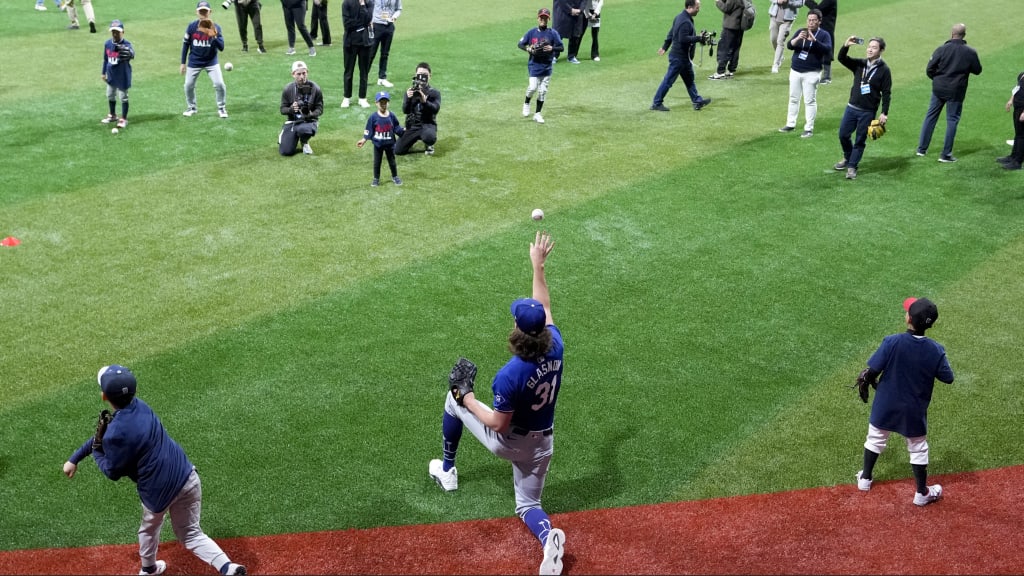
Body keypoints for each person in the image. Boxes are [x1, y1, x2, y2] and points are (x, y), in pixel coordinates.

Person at [428, 231, 566, 576]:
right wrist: (539, 267)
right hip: (543, 444)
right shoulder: (557, 347)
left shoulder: (510, 374)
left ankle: (447, 471)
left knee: (453, 399)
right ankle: (548, 538)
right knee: (529, 505)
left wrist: (469, 398)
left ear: (516, 328)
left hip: (511, 442)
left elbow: (498, 425)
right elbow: (545, 307)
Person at [62, 365, 247, 576]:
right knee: (191, 533)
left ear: (104, 396)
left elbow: (111, 471)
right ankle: (228, 567)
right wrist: (76, 457)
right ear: (134, 392)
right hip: (186, 476)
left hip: (157, 493)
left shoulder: (115, 435)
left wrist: (96, 451)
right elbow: (108, 435)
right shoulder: (141, 406)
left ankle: (149, 568)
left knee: (149, 529)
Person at [854, 298, 954, 507]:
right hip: (913, 410)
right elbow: (948, 377)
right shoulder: (936, 350)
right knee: (917, 447)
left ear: (908, 318)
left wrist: (867, 377)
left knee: (875, 438)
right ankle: (921, 493)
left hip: (885, 404)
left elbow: (873, 370)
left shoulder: (892, 341)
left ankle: (865, 479)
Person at [915, 24, 982, 163]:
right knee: (952, 120)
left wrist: (938, 80)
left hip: (938, 89)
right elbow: (977, 70)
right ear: (964, 35)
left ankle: (921, 149)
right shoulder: (970, 52)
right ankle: (945, 155)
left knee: (931, 117)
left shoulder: (941, 49)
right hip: (956, 91)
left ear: (952, 34)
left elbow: (929, 69)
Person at [834, 36, 891, 180]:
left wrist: (884, 112)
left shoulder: (884, 70)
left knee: (860, 140)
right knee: (843, 134)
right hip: (851, 107)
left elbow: (886, 92)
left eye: (874, 47)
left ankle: (852, 166)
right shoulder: (860, 64)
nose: (870, 49)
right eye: (869, 46)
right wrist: (846, 45)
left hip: (867, 111)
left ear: (881, 50)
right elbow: (841, 58)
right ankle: (848, 157)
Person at [650, 0, 712, 112]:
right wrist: (699, 38)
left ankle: (697, 101)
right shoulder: (685, 21)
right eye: (697, 7)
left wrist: (665, 47)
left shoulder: (680, 17)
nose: (699, 9)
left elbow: (671, 33)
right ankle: (656, 103)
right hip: (679, 58)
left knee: (689, 80)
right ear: (689, 7)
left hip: (683, 58)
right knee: (668, 80)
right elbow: (683, 39)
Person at [778, 9, 830, 137]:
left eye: (813, 20)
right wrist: (797, 39)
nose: (811, 23)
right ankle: (790, 124)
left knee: (809, 100)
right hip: (795, 70)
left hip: (811, 73)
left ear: (819, 21)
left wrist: (814, 41)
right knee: (793, 98)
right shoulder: (801, 31)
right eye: (809, 20)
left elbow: (827, 49)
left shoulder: (824, 35)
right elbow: (790, 46)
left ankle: (809, 128)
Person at [180, 1, 228, 118]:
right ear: (197, 12)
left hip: (211, 62)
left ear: (209, 12)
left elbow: (221, 47)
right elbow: (186, 44)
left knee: (219, 84)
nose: (203, 13)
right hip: (194, 62)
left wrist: (214, 35)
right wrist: (183, 63)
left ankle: (221, 108)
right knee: (188, 86)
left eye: (205, 11)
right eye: (201, 11)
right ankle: (192, 107)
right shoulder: (191, 27)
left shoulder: (216, 27)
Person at [518, 8, 564, 125]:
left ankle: (537, 114)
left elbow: (561, 47)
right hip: (534, 65)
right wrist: (528, 48)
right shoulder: (531, 32)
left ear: (548, 19)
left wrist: (552, 48)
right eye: (541, 17)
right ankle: (526, 103)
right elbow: (520, 44)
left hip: (547, 67)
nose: (543, 20)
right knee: (532, 88)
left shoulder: (553, 33)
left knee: (542, 92)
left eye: (545, 18)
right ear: (538, 18)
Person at [357, 91, 404, 186]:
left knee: (392, 162)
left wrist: (403, 130)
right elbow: (369, 130)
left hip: (390, 144)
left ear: (388, 103)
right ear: (376, 103)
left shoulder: (391, 116)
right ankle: (376, 178)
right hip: (378, 145)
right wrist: (364, 140)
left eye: (385, 102)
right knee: (377, 163)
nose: (383, 105)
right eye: (381, 103)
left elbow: (396, 127)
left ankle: (395, 176)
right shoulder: (373, 117)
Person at [394, 62, 441, 155]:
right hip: (413, 125)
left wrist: (424, 101)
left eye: (425, 75)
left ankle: (429, 144)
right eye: (420, 75)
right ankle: (410, 141)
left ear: (430, 76)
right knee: (398, 150)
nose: (422, 78)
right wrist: (408, 99)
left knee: (429, 137)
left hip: (427, 124)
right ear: (416, 75)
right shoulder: (410, 91)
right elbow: (405, 110)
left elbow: (435, 109)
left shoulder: (434, 93)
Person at [279, 60, 324, 156]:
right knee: (286, 152)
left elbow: (320, 109)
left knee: (303, 130)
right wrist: (290, 109)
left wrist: (310, 114)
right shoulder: (288, 89)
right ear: (293, 74)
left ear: (307, 72)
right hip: (293, 122)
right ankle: (285, 135)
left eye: (304, 73)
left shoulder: (315, 88)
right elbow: (282, 109)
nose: (302, 77)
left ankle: (304, 142)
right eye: (298, 74)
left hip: (309, 121)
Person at [341, 0, 374, 108]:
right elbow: (347, 24)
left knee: (364, 72)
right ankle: (346, 97)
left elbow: (368, 19)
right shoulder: (346, 3)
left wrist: (363, 6)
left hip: (365, 43)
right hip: (350, 42)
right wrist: (362, 23)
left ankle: (362, 98)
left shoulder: (369, 2)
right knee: (348, 71)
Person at [101, 19, 133, 130]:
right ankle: (113, 115)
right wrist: (103, 72)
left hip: (123, 75)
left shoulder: (127, 44)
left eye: (117, 31)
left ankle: (123, 118)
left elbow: (132, 53)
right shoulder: (107, 44)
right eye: (113, 31)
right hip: (111, 75)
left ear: (122, 31)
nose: (115, 34)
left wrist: (130, 53)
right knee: (110, 95)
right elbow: (105, 59)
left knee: (123, 97)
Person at [709, 0, 745, 80]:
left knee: (724, 48)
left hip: (730, 26)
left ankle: (720, 72)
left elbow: (727, 8)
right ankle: (731, 70)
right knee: (735, 48)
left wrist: (718, 2)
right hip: (740, 25)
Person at [370, 0, 401, 87]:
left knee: (385, 54)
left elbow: (398, 9)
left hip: (389, 26)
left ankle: (382, 78)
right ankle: (364, 77)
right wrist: (371, 21)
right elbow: (369, 7)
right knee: (371, 53)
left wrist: (394, 17)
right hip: (377, 25)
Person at [997, 70, 1024, 171]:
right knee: (1018, 134)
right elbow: (1018, 88)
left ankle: (1018, 162)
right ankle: (1013, 156)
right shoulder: (1022, 75)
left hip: (1023, 110)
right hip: (1018, 108)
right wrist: (1011, 100)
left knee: (1022, 135)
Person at [803, 0, 835, 83]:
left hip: (827, 29)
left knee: (826, 52)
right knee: (814, 50)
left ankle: (827, 77)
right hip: (821, 28)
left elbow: (817, 9)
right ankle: (812, 73)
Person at [768, 0, 804, 74]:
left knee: (780, 41)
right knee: (773, 39)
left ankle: (775, 65)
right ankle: (780, 56)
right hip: (774, 17)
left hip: (788, 20)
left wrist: (789, 2)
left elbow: (801, 3)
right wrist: (778, 1)